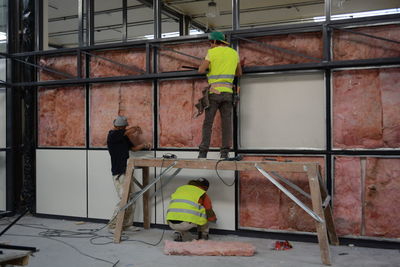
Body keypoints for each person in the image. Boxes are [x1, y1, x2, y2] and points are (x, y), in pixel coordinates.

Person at [198, 31, 242, 159]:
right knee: (226, 124)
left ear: (215, 42)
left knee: (208, 123)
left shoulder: (212, 52)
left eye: (211, 42)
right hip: (228, 94)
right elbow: (239, 72)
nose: (210, 45)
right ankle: (224, 153)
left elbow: (201, 70)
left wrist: (209, 67)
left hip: (214, 94)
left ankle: (203, 153)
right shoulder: (234, 53)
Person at [107, 115, 151, 233]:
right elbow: (127, 131)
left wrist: (144, 145)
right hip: (119, 173)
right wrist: (135, 127)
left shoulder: (123, 136)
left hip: (126, 170)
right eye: (124, 127)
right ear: (119, 127)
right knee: (123, 199)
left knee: (131, 198)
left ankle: (126, 224)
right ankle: (113, 226)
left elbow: (133, 149)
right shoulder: (112, 135)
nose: (125, 129)